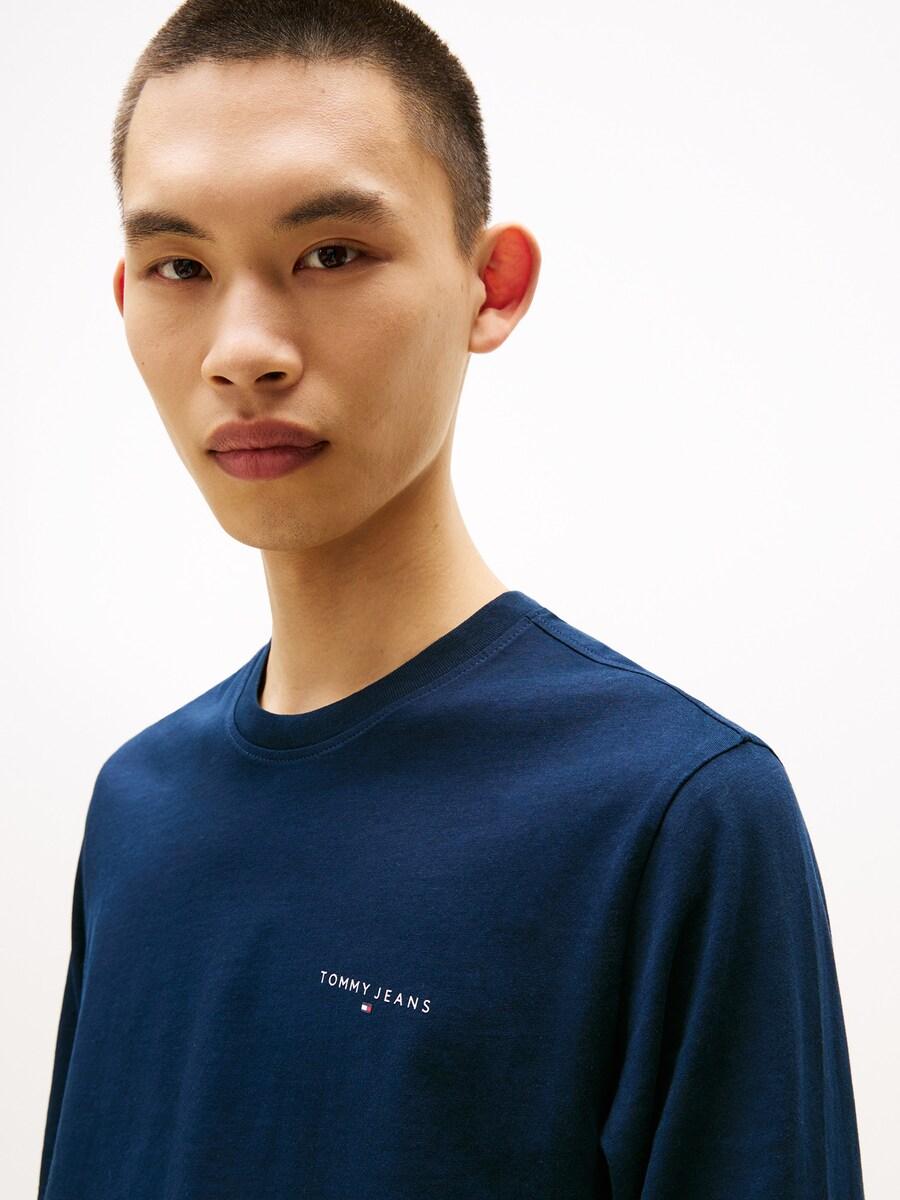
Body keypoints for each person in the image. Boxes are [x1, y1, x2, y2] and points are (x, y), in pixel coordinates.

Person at [37, 1, 866, 1197]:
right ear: (126, 298)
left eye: (332, 253)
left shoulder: (671, 815)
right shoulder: (137, 808)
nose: (244, 349)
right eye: (182, 267)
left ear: (490, 285)